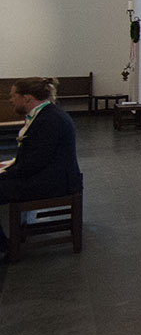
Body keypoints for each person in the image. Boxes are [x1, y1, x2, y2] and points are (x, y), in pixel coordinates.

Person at [1, 78, 84, 255]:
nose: (11, 100)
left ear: (27, 98)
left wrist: (5, 173)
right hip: (51, 174)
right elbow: (36, 155)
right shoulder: (46, 114)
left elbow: (35, 163)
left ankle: (5, 246)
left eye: (14, 96)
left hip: (54, 181)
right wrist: (11, 165)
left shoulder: (49, 120)